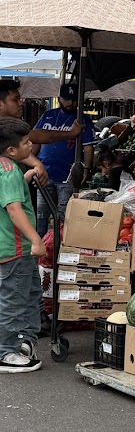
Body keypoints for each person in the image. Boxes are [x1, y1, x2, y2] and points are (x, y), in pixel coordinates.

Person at [0, 118, 46, 373]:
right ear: (11, 150)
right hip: (16, 248)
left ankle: (21, 341)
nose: (31, 146)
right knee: (13, 301)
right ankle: (5, 352)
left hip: (15, 248)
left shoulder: (8, 168)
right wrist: (36, 239)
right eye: (26, 143)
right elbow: (14, 209)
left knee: (28, 295)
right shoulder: (8, 172)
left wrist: (25, 178)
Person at [31, 84, 95, 236]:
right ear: (59, 98)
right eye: (66, 99)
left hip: (67, 174)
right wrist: (30, 161)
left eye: (73, 100)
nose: (70, 103)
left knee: (64, 212)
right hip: (44, 171)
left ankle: (59, 245)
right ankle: (40, 241)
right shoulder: (48, 115)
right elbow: (36, 140)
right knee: (42, 211)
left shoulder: (82, 120)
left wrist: (86, 168)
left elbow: (88, 148)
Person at [0, 79, 85, 186]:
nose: (21, 103)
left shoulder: (11, 127)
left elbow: (39, 135)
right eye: (15, 100)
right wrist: (37, 164)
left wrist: (37, 164)